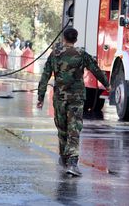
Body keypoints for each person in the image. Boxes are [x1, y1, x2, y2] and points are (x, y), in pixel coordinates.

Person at [36, 27, 110, 177]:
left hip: (59, 98)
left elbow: (45, 75)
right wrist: (107, 84)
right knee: (74, 130)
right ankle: (72, 163)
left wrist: (40, 97)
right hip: (76, 98)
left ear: (63, 38)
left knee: (62, 128)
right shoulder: (81, 54)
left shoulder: (55, 54)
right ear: (75, 39)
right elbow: (95, 70)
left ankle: (64, 158)